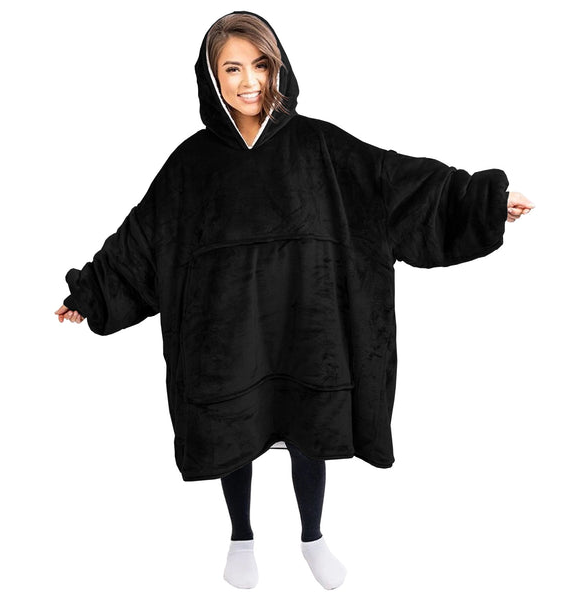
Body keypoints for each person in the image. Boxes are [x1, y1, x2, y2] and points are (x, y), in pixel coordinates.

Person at [55, 10, 535, 591]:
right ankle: (241, 536)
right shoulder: (191, 163)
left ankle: (312, 537)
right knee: (234, 430)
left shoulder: (322, 147)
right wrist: (93, 293)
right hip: (227, 333)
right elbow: (144, 239)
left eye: (260, 65)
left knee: (311, 428)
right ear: (211, 76)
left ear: (278, 68)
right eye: (232, 68)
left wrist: (483, 202)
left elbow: (398, 185)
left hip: (308, 326)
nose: (249, 81)